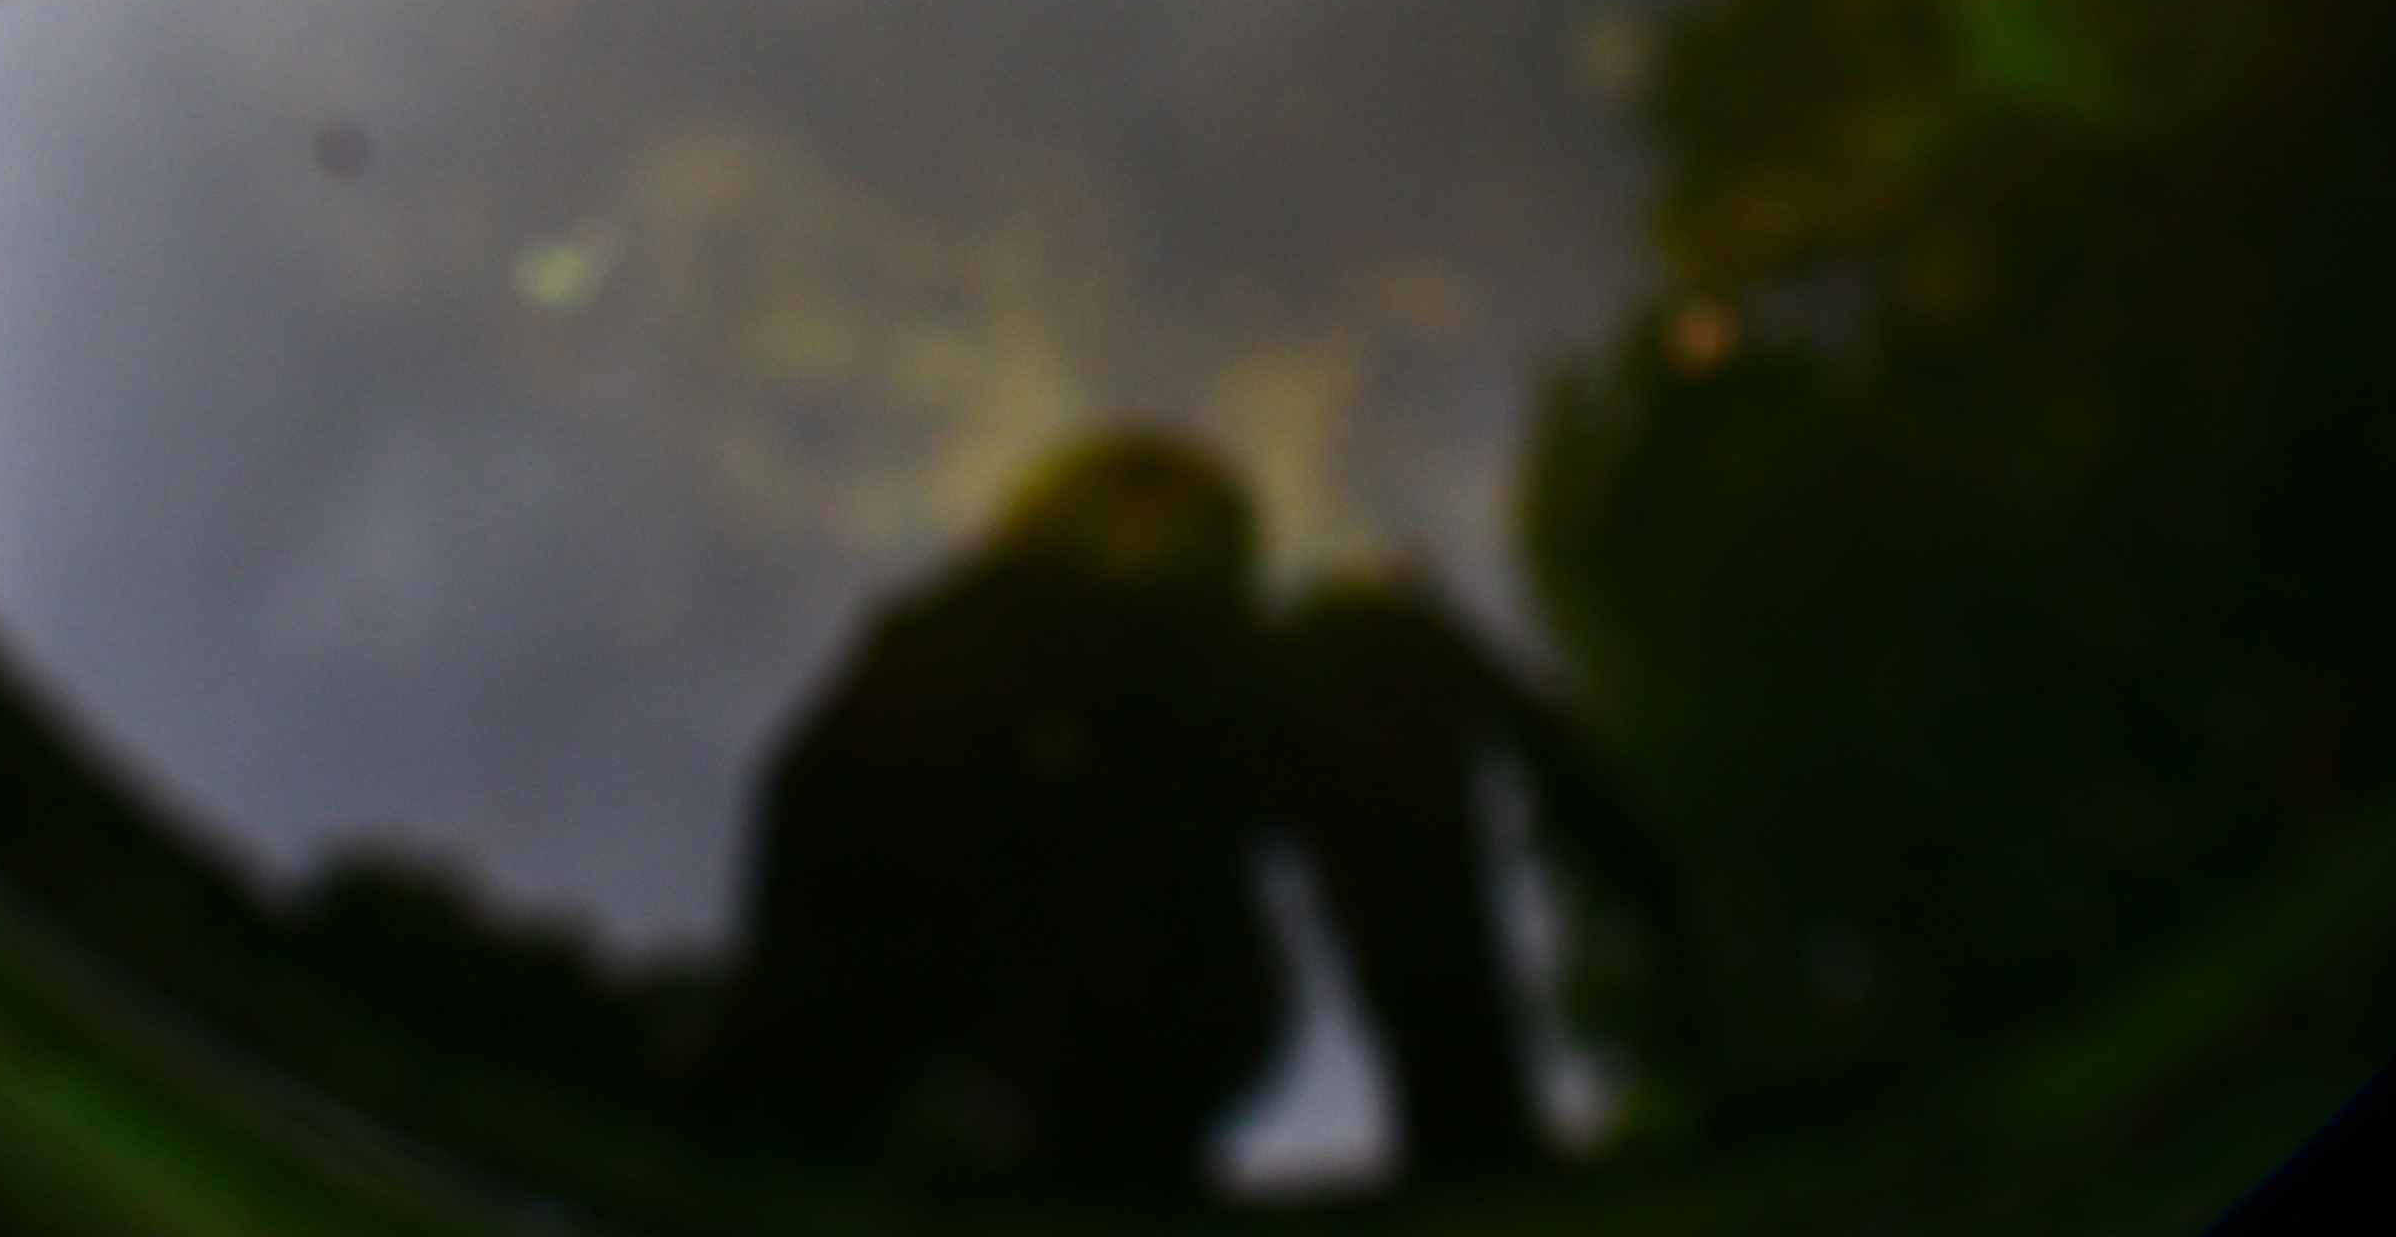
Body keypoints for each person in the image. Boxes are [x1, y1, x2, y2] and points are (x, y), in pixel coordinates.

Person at [700, 429, 1681, 1196]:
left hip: (1175, 1013)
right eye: (1124, 501)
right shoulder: (966, 642)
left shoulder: (1267, 678)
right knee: (937, 680)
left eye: (1183, 510)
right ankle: (795, 1112)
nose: (1153, 534)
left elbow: (1384, 690)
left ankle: (1479, 1156)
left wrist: (1656, 902)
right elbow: (822, 800)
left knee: (1375, 650)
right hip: (964, 1020)